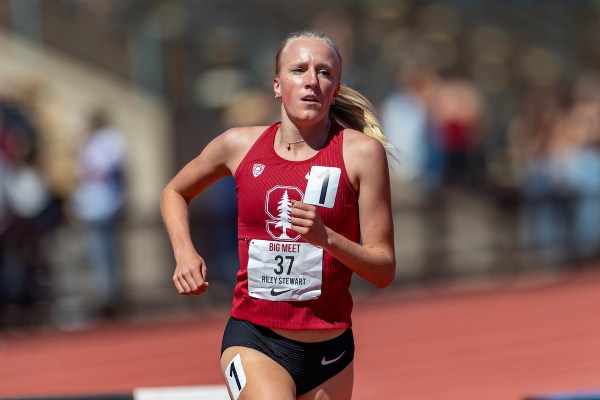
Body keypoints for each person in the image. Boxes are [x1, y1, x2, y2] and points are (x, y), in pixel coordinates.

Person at [160, 30, 396, 400]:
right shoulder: (238, 144)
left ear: (336, 87)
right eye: (299, 70)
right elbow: (174, 192)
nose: (311, 82)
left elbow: (383, 269)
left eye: (324, 73)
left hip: (330, 351)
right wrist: (184, 252)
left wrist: (327, 238)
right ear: (276, 84)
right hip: (256, 339)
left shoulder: (361, 154)